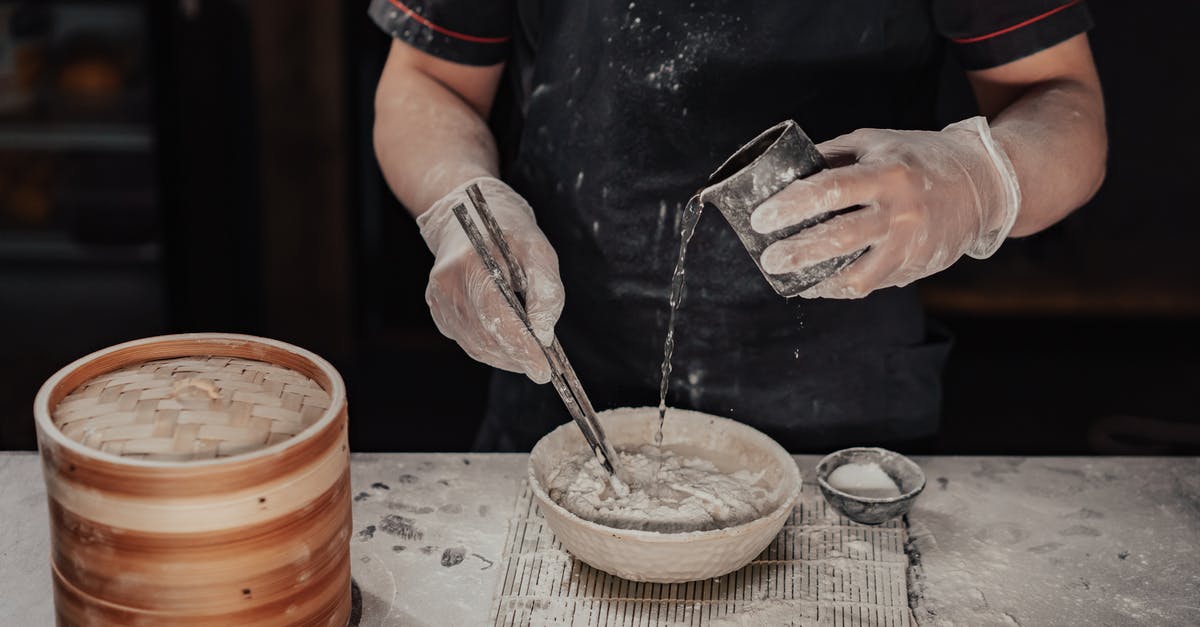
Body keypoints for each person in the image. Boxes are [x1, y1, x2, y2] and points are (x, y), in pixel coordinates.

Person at [369, 0, 1106, 452]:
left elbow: (1065, 106)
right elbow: (425, 82)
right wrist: (461, 206)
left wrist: (977, 179)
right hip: (565, 375)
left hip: (841, 402)